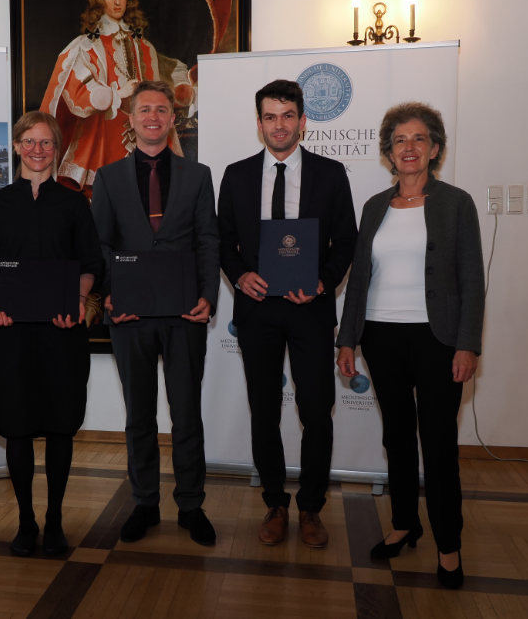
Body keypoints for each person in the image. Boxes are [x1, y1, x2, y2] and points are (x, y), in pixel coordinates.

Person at [336, 102, 484, 589]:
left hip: (438, 340)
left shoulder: (456, 203)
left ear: (435, 148)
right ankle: (404, 524)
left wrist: (467, 344)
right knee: (396, 438)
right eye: (400, 140)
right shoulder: (374, 207)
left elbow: (472, 281)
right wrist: (347, 340)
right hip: (381, 336)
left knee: (438, 445)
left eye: (419, 138)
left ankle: (448, 545)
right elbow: (359, 280)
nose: (409, 147)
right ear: (389, 151)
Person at [217, 79, 357, 548]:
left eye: (287, 115)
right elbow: (223, 241)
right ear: (259, 123)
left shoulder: (330, 173)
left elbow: (346, 241)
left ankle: (311, 507)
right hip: (257, 310)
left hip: (309, 310)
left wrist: (322, 282)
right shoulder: (236, 175)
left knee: (316, 409)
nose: (279, 125)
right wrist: (240, 276)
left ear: (302, 121)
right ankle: (275, 503)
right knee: (263, 409)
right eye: (270, 117)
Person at [0, 111, 102, 557]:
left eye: (46, 143)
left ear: (56, 149)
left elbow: (91, 266)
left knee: (61, 427)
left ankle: (55, 519)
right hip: (11, 336)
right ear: (17, 146)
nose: (37, 150)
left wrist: (77, 299)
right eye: (29, 141)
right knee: (17, 427)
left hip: (62, 335)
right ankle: (26, 521)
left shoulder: (75, 204)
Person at [91, 79, 220, 547]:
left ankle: (191, 505)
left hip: (185, 313)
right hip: (131, 316)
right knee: (139, 416)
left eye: (161, 110)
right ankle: (145, 502)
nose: (153, 117)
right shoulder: (107, 178)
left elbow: (208, 240)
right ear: (130, 118)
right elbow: (100, 244)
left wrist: (208, 296)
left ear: (172, 118)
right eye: (144, 109)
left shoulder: (198, 175)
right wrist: (110, 295)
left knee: (187, 415)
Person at [41, 0, 194, 195]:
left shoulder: (144, 46)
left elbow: (158, 85)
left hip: (141, 133)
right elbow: (78, 90)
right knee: (102, 193)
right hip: (104, 133)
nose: (117, 1)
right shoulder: (87, 45)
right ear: (99, 0)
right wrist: (115, 95)